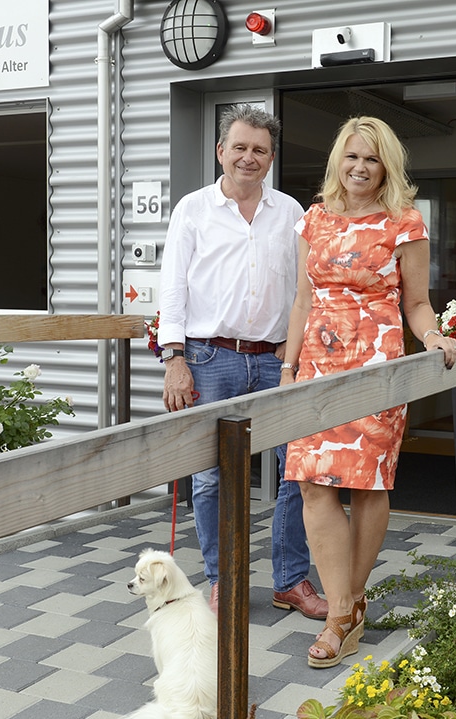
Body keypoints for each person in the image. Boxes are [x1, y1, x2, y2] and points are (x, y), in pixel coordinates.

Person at [280, 116, 456, 668]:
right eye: (352, 156)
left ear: (387, 167)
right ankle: (345, 607)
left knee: (367, 485)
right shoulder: (314, 220)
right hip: (317, 369)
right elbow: (303, 302)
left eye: (372, 159)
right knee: (312, 485)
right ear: (338, 160)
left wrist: (432, 336)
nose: (360, 167)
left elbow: (417, 304)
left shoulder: (404, 222)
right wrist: (287, 367)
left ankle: (343, 611)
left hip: (377, 368)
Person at [157, 105, 328, 621]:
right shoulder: (192, 209)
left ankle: (290, 581)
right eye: (240, 147)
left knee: (294, 474)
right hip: (209, 359)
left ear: (270, 158)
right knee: (209, 481)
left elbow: (307, 288)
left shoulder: (292, 213)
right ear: (220, 152)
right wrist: (174, 359)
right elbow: (173, 287)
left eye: (259, 150)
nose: (248, 158)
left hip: (275, 364)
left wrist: (291, 347)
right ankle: (221, 580)